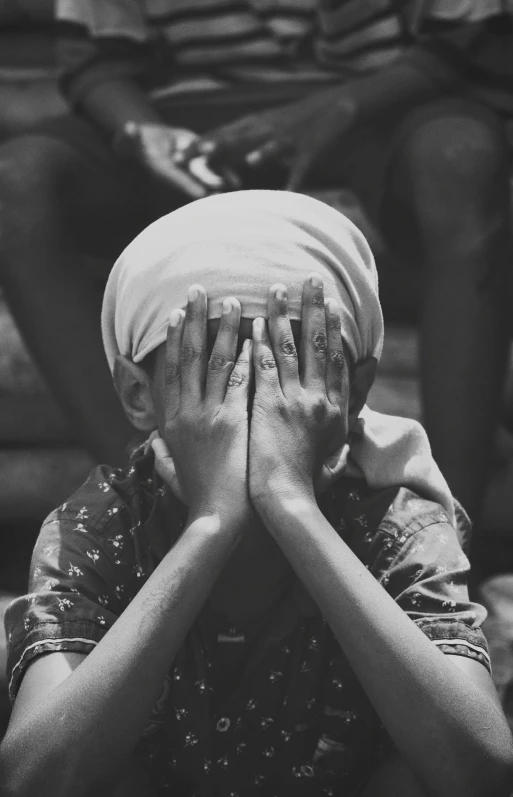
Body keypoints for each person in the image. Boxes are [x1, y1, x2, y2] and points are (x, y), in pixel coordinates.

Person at [1, 192, 512, 797]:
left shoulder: (396, 521)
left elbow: (480, 772)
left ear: (355, 390)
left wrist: (290, 504)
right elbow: (34, 779)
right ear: (139, 395)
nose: (258, 399)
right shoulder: (107, 522)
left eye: (293, 366)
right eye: (215, 367)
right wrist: (212, 524)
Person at [0, 1, 512, 545]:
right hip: (186, 110)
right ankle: (162, 516)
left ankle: (447, 541)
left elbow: (470, 37)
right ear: (136, 392)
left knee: (461, 158)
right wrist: (143, 128)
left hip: (384, 102)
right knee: (18, 181)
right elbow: (97, 56)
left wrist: (338, 108)